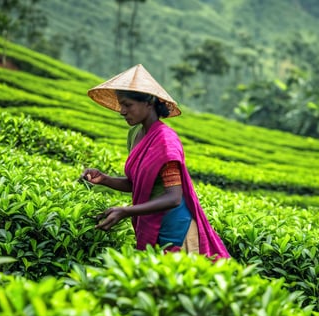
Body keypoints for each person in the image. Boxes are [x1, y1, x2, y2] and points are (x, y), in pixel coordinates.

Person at [82, 64, 230, 259]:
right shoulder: (135, 133)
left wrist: (126, 211)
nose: (122, 111)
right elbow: (139, 184)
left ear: (149, 102)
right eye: (121, 105)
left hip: (176, 228)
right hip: (151, 222)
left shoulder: (166, 142)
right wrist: (105, 179)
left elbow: (173, 197)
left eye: (128, 105)